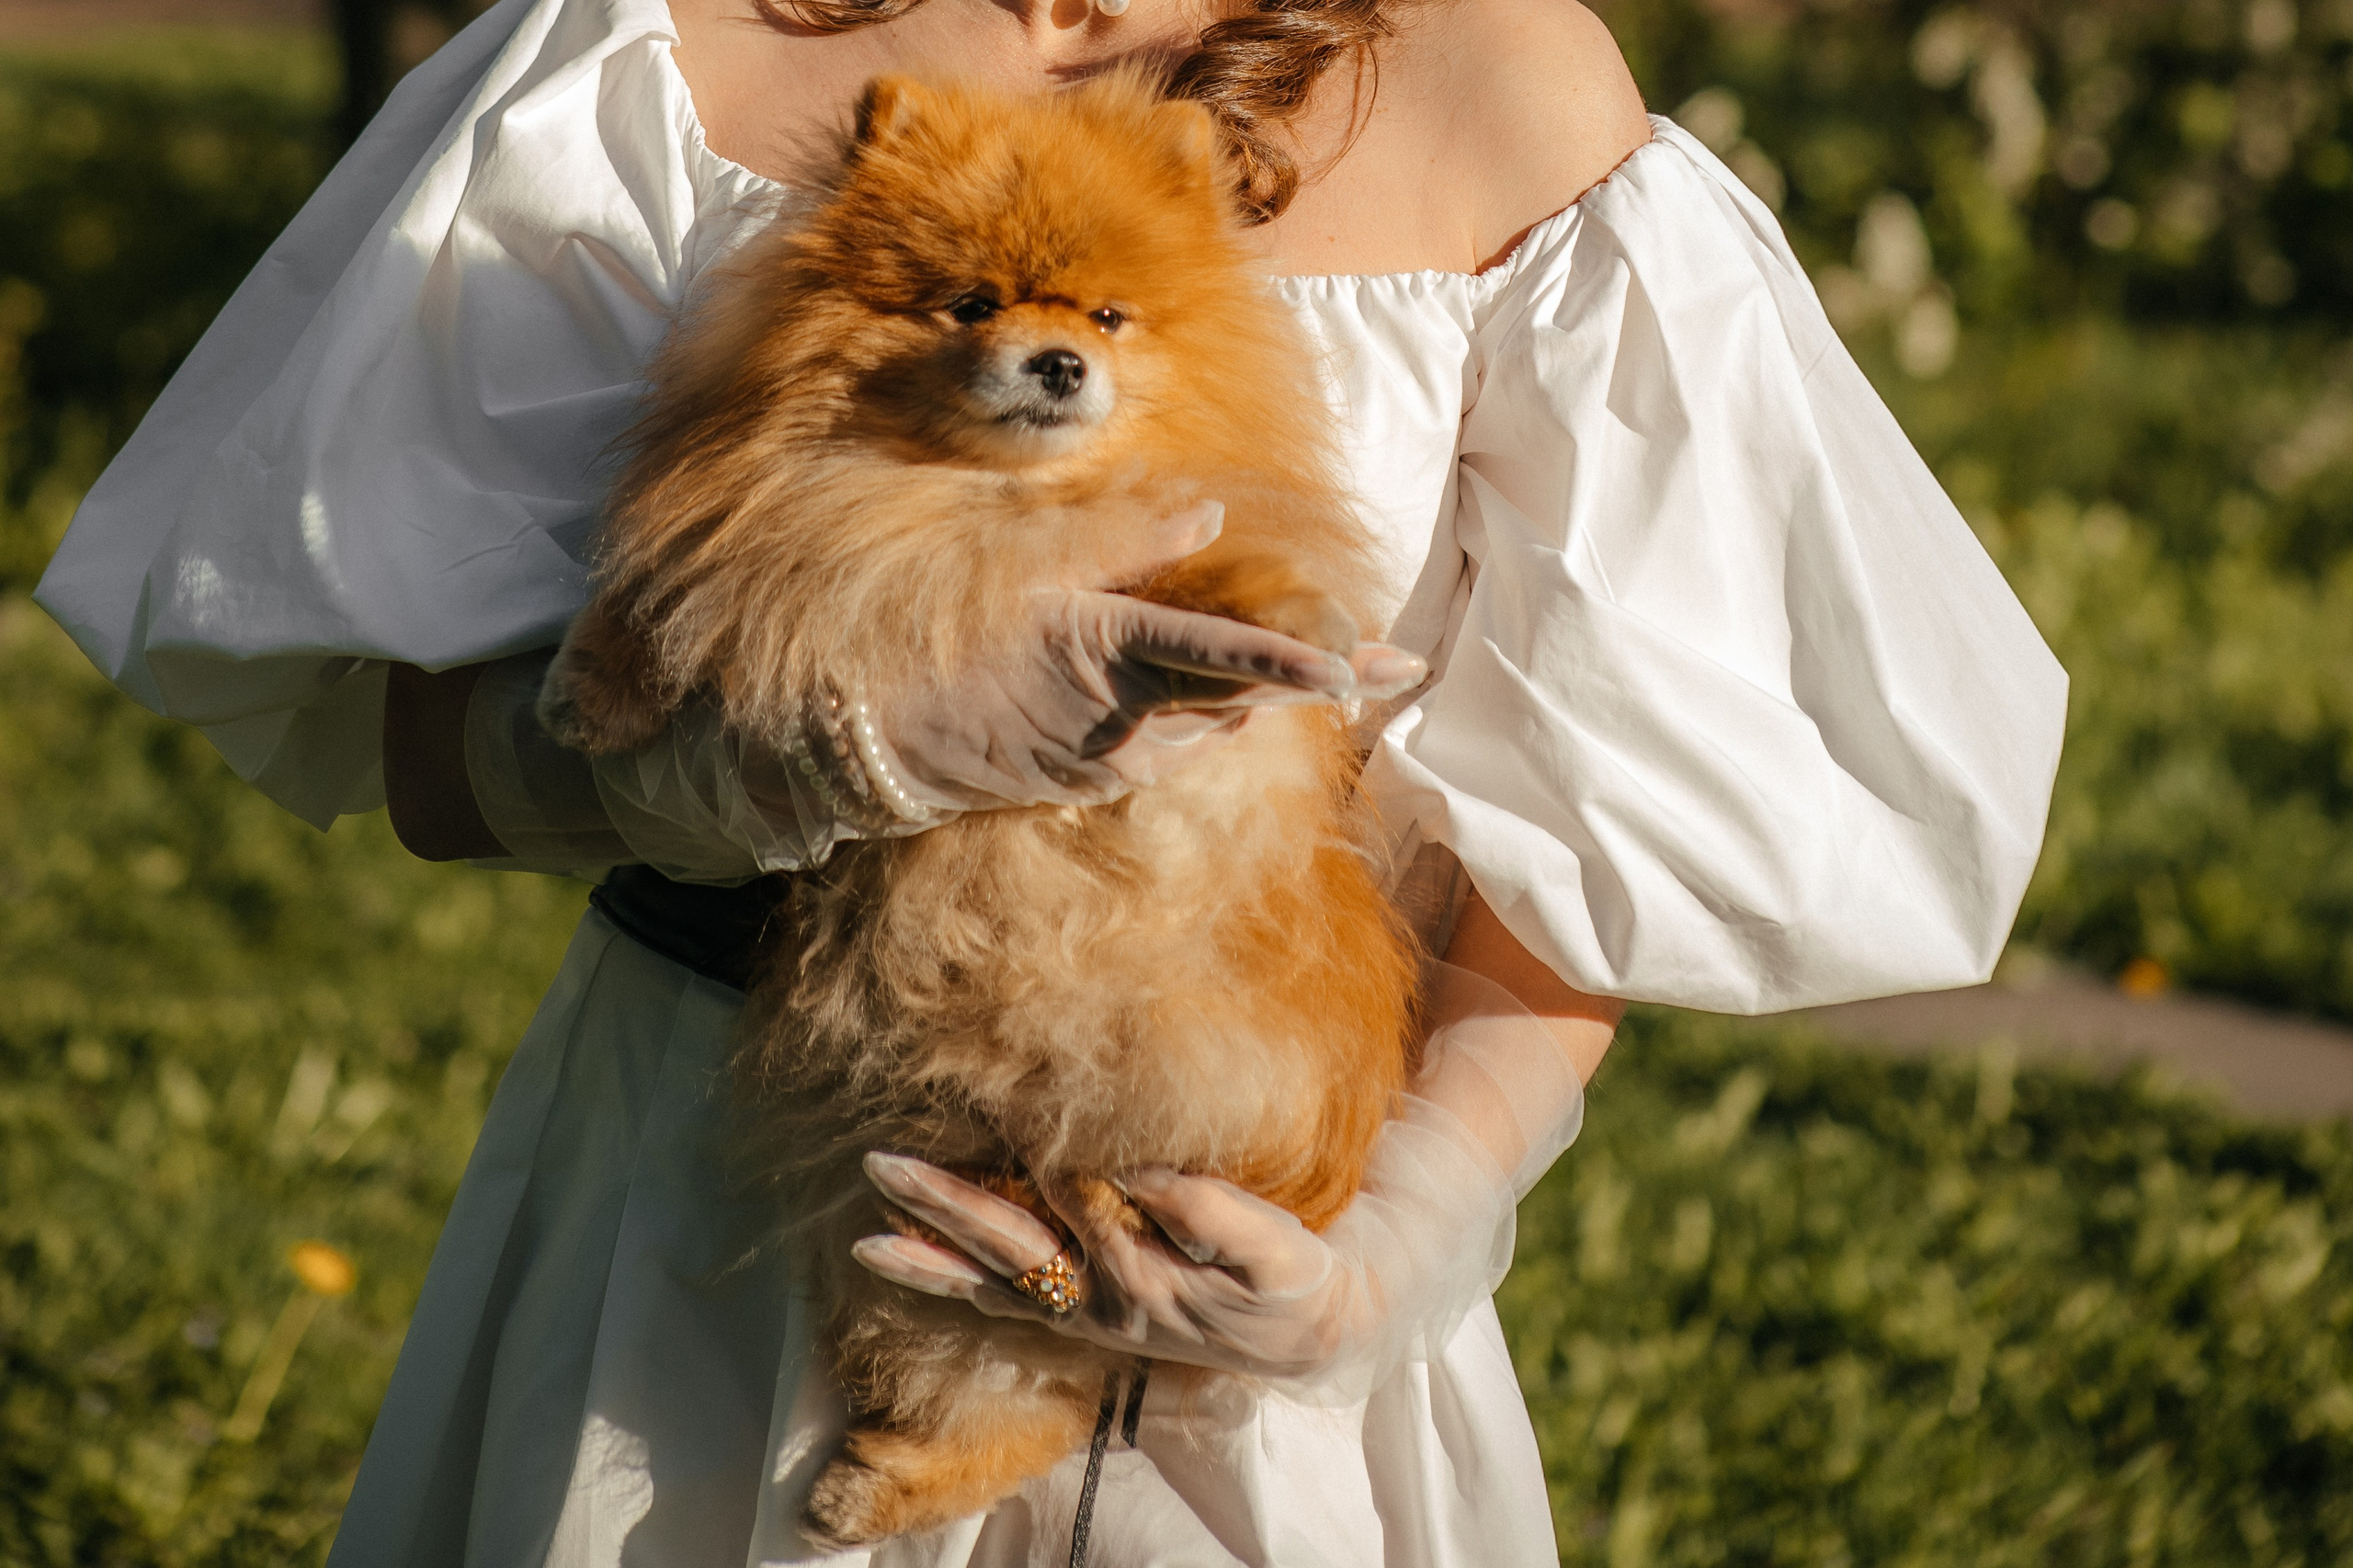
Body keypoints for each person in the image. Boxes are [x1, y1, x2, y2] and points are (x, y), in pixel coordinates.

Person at [32, 0, 2068, 1561]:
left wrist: (1401, 1234)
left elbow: (1594, 827)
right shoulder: (668, 44)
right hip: (715, 1194)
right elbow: (424, 756)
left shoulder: (1498, 79)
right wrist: (784, 755)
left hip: (1226, 1235)